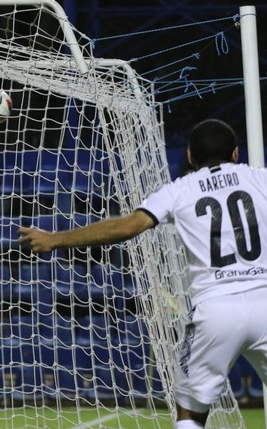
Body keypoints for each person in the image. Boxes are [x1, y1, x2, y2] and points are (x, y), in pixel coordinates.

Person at [18, 119, 267, 429]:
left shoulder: (179, 190)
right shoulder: (259, 178)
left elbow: (126, 227)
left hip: (216, 308)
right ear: (235, 154)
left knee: (190, 411)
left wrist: (55, 239)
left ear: (190, 156)